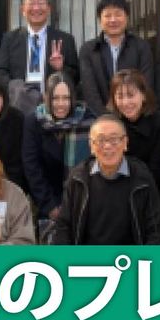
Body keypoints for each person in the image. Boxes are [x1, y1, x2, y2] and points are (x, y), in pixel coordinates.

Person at [51, 113, 160, 320]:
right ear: (91, 146)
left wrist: (145, 269)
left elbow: (155, 230)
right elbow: (64, 226)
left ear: (125, 143)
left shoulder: (142, 177)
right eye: (101, 140)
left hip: (129, 269)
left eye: (114, 139)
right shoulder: (78, 177)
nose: (108, 146)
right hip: (87, 267)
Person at [22, 72, 95, 220]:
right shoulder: (34, 121)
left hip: (84, 199)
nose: (61, 104)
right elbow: (32, 167)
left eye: (66, 98)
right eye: (55, 98)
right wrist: (50, 206)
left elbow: (94, 165)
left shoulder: (88, 120)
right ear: (46, 97)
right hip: (47, 201)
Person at [107, 69, 160, 229]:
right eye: (120, 96)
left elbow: (155, 166)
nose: (126, 102)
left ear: (143, 95)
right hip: (118, 190)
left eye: (131, 95)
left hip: (153, 188)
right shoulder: (110, 124)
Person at [80, 0, 154, 116]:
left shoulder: (141, 47)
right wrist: (106, 117)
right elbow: (90, 90)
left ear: (127, 17)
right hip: (101, 119)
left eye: (118, 14)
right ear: (100, 19)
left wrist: (134, 114)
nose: (113, 20)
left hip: (136, 116)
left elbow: (146, 84)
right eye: (107, 15)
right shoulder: (89, 50)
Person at [0, 0, 79, 94]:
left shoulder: (65, 39)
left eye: (41, 3)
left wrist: (60, 68)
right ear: (23, 10)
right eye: (31, 3)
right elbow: (0, 73)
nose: (36, 8)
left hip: (52, 101)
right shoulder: (10, 39)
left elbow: (76, 77)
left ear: (49, 9)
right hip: (19, 100)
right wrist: (16, 89)